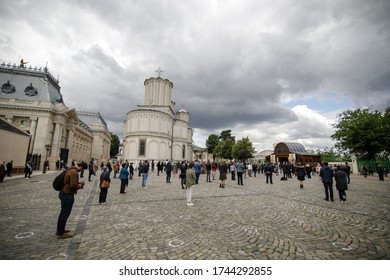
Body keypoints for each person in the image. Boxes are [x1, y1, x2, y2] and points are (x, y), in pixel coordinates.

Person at [56, 161, 87, 239]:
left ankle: (60, 229)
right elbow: (73, 185)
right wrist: (80, 185)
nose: (82, 171)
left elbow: (70, 182)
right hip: (67, 194)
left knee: (63, 212)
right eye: (83, 170)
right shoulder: (74, 172)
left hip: (64, 193)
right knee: (65, 213)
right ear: (82, 167)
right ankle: (61, 233)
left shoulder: (70, 170)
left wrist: (78, 182)